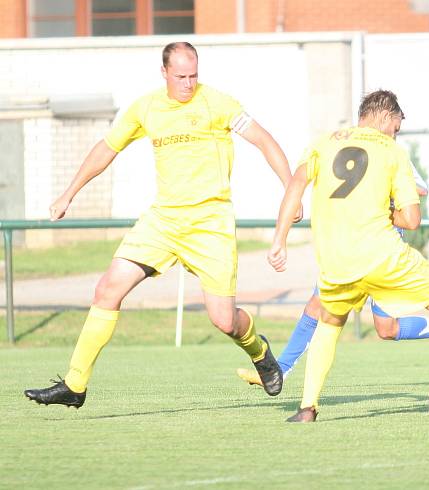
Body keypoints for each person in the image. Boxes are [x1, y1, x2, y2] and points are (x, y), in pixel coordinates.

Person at [24, 41, 298, 408]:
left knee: (224, 321)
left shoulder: (218, 103)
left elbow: (264, 141)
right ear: (164, 72)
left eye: (194, 75)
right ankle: (75, 384)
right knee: (107, 289)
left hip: (210, 225)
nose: (188, 83)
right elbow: (107, 149)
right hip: (163, 221)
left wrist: (289, 191)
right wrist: (68, 193)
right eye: (181, 76)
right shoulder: (146, 107)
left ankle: (259, 351)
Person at [268, 89, 429, 422]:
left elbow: (295, 185)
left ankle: (307, 408)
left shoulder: (323, 143)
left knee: (330, 324)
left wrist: (279, 239)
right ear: (384, 116)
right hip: (383, 256)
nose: (395, 134)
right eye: (396, 127)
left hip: (336, 263)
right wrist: (385, 212)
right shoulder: (392, 151)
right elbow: (411, 220)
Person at [236, 167, 429, 386]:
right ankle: (282, 370)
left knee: (386, 328)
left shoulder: (392, 153)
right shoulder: (344, 148)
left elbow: (421, 189)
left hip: (383, 246)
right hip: (350, 242)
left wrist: (382, 190)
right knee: (316, 307)